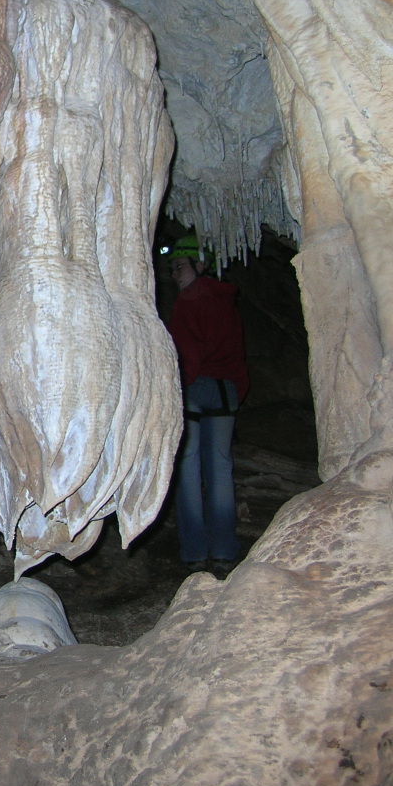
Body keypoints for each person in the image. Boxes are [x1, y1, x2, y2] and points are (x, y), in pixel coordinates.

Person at [165, 234, 249, 577]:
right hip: (225, 391)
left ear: (201, 265)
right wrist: (236, 390)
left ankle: (196, 551)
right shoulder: (227, 302)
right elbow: (236, 353)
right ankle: (225, 549)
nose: (175, 274)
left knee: (187, 470)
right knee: (219, 470)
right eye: (172, 268)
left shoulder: (188, 302)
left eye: (181, 266)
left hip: (195, 390)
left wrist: (177, 389)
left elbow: (187, 353)